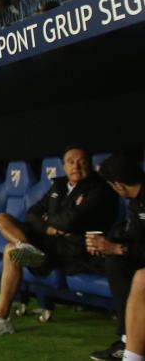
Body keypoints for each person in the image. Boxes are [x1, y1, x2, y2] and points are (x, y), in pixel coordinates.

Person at [0, 146, 118, 337]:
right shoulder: (59, 186)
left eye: (82, 162)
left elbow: (69, 220)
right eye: (71, 162)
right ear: (64, 166)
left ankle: (1, 318)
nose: (76, 166)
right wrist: (49, 227)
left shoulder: (98, 189)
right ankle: (24, 246)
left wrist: (48, 221)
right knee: (1, 218)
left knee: (10, 251)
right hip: (47, 241)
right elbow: (32, 213)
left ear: (89, 165)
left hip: (72, 249)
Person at [87, 154, 145, 360]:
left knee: (140, 277)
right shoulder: (136, 202)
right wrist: (107, 244)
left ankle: (132, 353)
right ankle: (126, 338)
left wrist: (119, 248)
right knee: (114, 261)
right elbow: (135, 237)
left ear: (118, 185)